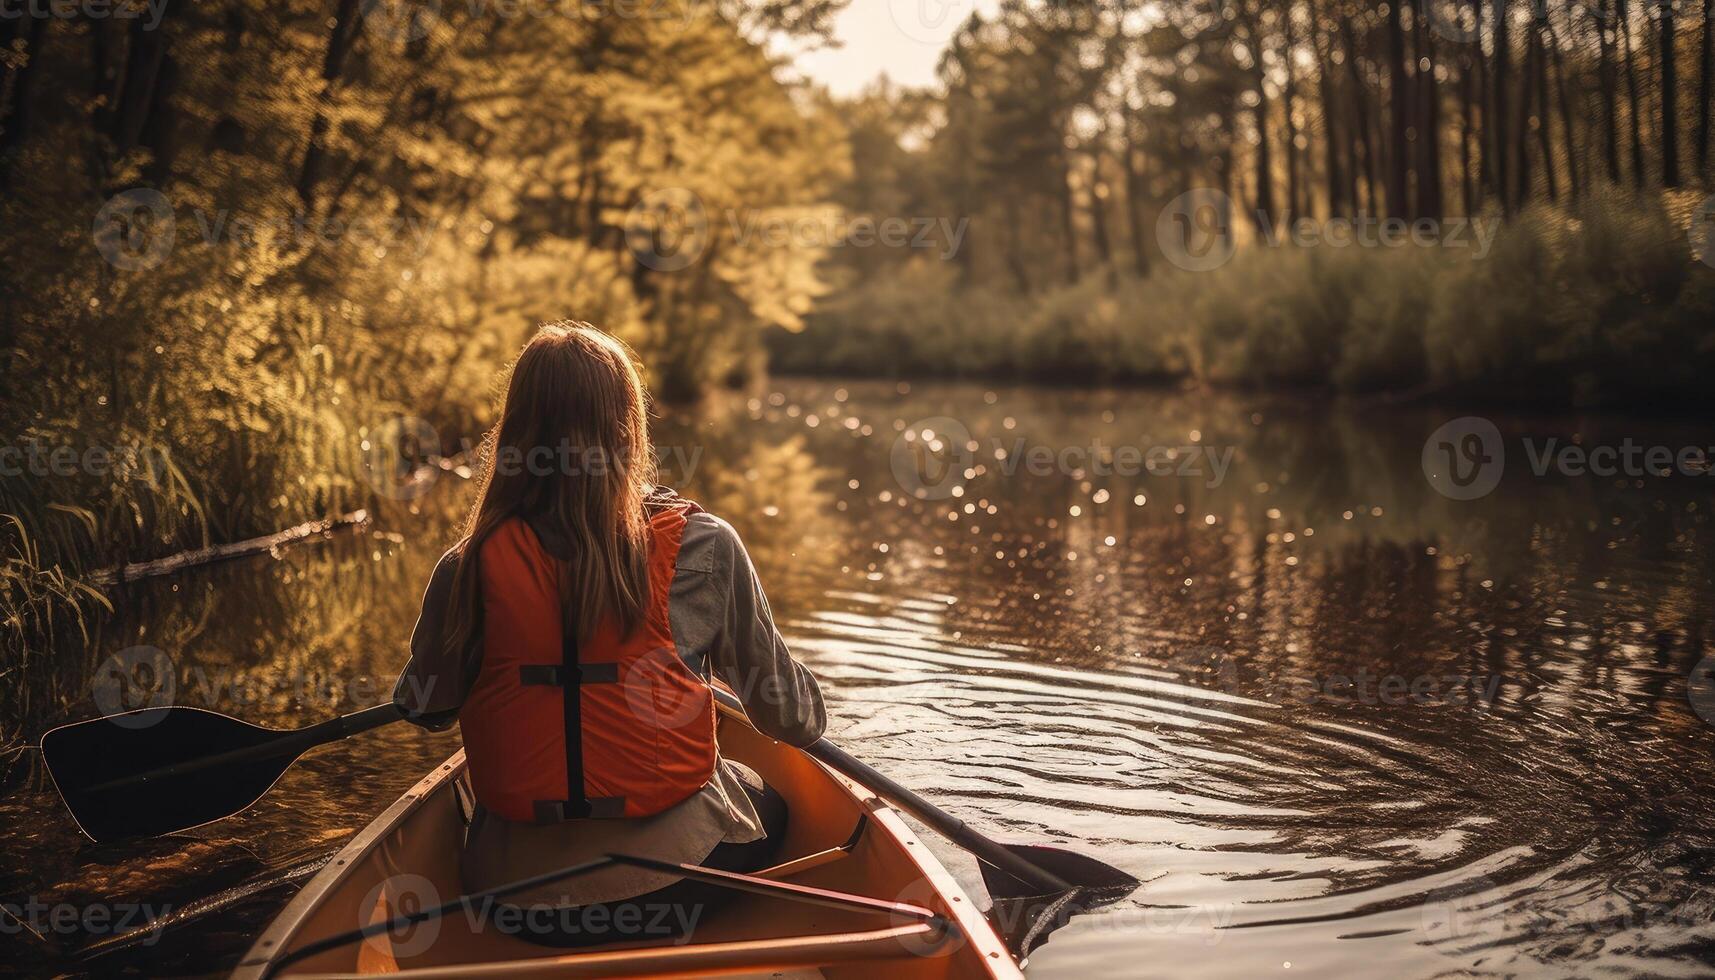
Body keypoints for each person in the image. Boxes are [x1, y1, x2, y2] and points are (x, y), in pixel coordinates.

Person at [392, 321, 825, 948]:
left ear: (516, 433)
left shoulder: (467, 566)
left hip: (512, 902)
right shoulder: (704, 548)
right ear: (628, 430)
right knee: (771, 801)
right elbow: (793, 722)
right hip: (673, 890)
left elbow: (426, 708)